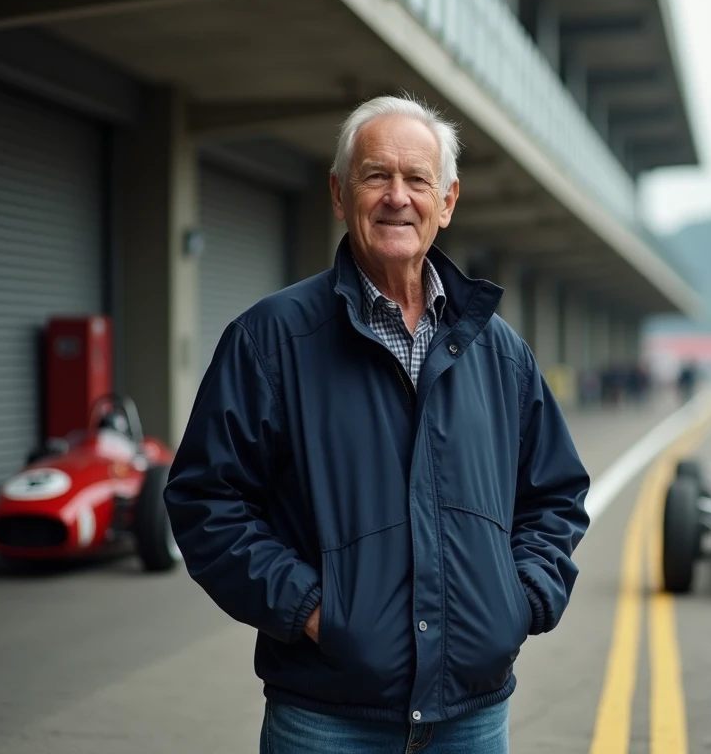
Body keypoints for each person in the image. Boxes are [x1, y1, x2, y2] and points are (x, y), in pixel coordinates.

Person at [163, 94, 591, 753]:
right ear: (339, 193)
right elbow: (206, 500)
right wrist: (309, 611)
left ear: (446, 201)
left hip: (472, 720)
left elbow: (554, 495)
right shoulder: (270, 340)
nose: (398, 196)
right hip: (325, 721)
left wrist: (519, 600)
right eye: (376, 176)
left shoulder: (500, 352)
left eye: (417, 179)